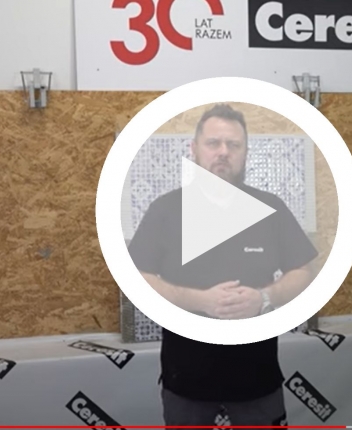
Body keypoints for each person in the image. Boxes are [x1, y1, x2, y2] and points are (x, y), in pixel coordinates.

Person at [127, 103, 318, 428]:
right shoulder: (166, 210)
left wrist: (264, 298)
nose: (223, 152)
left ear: (245, 153)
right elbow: (137, 277)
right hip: (186, 381)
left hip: (257, 379)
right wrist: (199, 300)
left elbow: (304, 271)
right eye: (213, 143)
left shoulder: (270, 208)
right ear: (194, 149)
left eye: (234, 144)